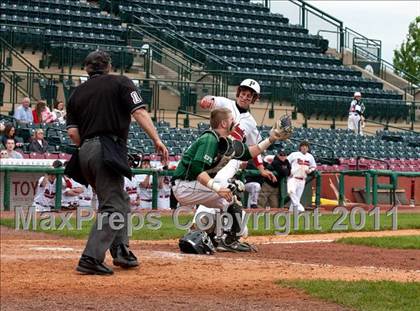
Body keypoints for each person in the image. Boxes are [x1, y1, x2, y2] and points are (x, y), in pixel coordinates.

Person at [66, 50, 168, 275]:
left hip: (85, 152)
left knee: (118, 199)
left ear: (87, 68)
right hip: (107, 147)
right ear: (108, 66)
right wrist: (157, 140)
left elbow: (73, 134)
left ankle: (121, 249)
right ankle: (90, 258)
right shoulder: (121, 82)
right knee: (113, 205)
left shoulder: (76, 93)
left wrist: (91, 146)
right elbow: (139, 112)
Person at [172, 108, 290, 252]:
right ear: (223, 123)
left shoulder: (227, 142)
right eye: (231, 119)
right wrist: (217, 188)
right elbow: (197, 169)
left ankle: (221, 238)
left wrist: (271, 139)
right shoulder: (209, 139)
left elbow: (248, 153)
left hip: (193, 186)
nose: (234, 122)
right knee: (230, 187)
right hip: (183, 186)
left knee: (228, 201)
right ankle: (214, 234)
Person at [287, 141, 316, 213]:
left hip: (302, 179)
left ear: (308, 148)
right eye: (303, 146)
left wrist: (310, 170)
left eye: (306, 146)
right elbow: (286, 162)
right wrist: (288, 170)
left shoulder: (310, 156)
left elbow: (314, 166)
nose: (304, 147)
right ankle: (301, 208)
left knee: (297, 198)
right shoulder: (294, 154)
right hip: (293, 178)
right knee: (291, 191)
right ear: (300, 147)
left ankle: (292, 212)